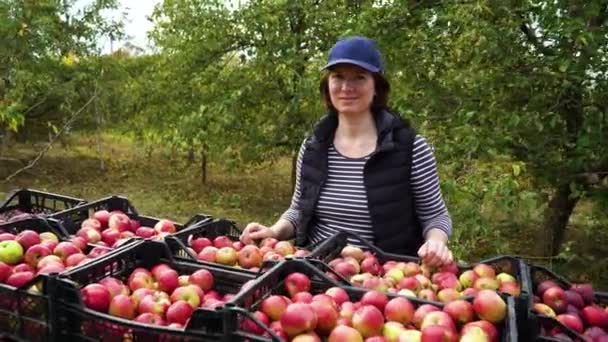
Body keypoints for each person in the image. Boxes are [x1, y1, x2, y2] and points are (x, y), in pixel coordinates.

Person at [240, 36, 454, 267]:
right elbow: (298, 211)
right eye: (338, 77)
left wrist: (436, 242)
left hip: (384, 279)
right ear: (327, 84)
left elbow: (435, 216)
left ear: (376, 87)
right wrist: (273, 231)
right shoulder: (314, 146)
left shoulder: (411, 148)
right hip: (315, 271)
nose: (346, 87)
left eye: (359, 77)